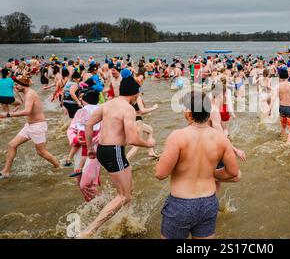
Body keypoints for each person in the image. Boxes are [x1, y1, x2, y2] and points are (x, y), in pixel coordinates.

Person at [77, 69, 155, 238]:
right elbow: (133, 138)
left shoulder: (107, 104)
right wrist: (149, 143)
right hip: (114, 151)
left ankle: (125, 219)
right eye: (138, 95)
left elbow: (88, 125)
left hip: (103, 151)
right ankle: (89, 231)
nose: (137, 97)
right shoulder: (128, 109)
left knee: (128, 190)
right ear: (135, 94)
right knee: (123, 196)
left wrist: (90, 148)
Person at [155, 91, 241, 239]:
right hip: (209, 202)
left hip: (181, 204)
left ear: (189, 113)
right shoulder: (221, 139)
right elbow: (233, 172)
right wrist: (210, 174)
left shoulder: (177, 136)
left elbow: (160, 174)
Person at [0, 75, 61, 179]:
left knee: (41, 152)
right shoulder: (27, 93)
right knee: (12, 145)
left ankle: (59, 167)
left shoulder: (30, 94)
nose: (15, 86)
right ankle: (6, 171)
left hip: (37, 126)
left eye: (17, 84)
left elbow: (27, 111)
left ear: (23, 85)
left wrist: (8, 114)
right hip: (29, 126)